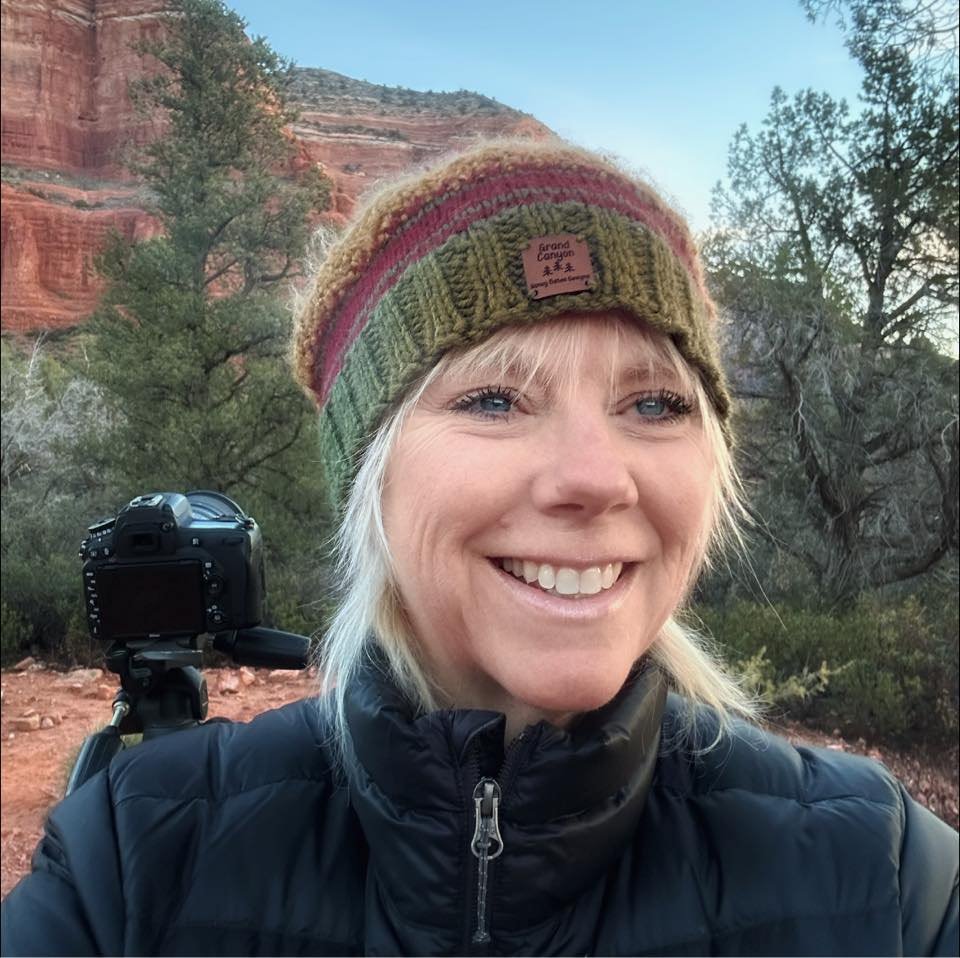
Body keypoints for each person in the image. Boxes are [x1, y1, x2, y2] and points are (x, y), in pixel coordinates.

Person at [2, 138, 957, 957]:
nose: (595, 476)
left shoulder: (888, 875)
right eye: (494, 399)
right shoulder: (132, 862)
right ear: (368, 474)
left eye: (654, 404)